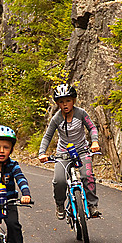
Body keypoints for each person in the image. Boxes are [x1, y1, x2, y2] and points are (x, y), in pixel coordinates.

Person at [38, 84, 101, 219]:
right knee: (59, 180)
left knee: (87, 175)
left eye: (68, 100)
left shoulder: (81, 113)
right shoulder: (56, 118)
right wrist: (42, 153)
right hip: (63, 153)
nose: (65, 104)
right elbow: (47, 136)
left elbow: (92, 128)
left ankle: (92, 205)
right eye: (61, 102)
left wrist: (94, 141)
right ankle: (60, 204)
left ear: (73, 100)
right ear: (57, 104)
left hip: (82, 151)